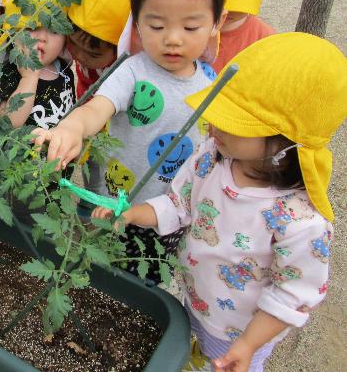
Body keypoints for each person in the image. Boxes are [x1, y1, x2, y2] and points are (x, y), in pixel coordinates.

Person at [93, 32, 347, 372]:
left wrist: (248, 345)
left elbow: (293, 295)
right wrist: (129, 214)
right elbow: (178, 204)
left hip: (238, 334)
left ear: (284, 143)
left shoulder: (301, 223)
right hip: (195, 302)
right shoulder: (211, 158)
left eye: (233, 123)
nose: (213, 126)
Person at [33, 0, 231, 282]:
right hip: (109, 203)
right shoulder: (131, 71)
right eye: (156, 25)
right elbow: (97, 109)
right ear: (136, 23)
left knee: (148, 277)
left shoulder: (213, 86)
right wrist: (71, 128)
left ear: (217, 21)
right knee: (103, 272)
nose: (172, 38)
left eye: (190, 26)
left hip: (166, 212)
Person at [65, 0, 130, 200]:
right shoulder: (76, 42)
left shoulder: (125, 71)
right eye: (72, 44)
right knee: (91, 170)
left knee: (113, 177)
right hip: (84, 124)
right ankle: (89, 201)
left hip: (115, 133)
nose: (79, 56)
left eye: (92, 54)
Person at [0, 0, 75, 130]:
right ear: (13, 35)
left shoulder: (64, 70)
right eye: (32, 28)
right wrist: (29, 78)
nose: (43, 38)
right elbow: (9, 122)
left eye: (54, 30)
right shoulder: (9, 72)